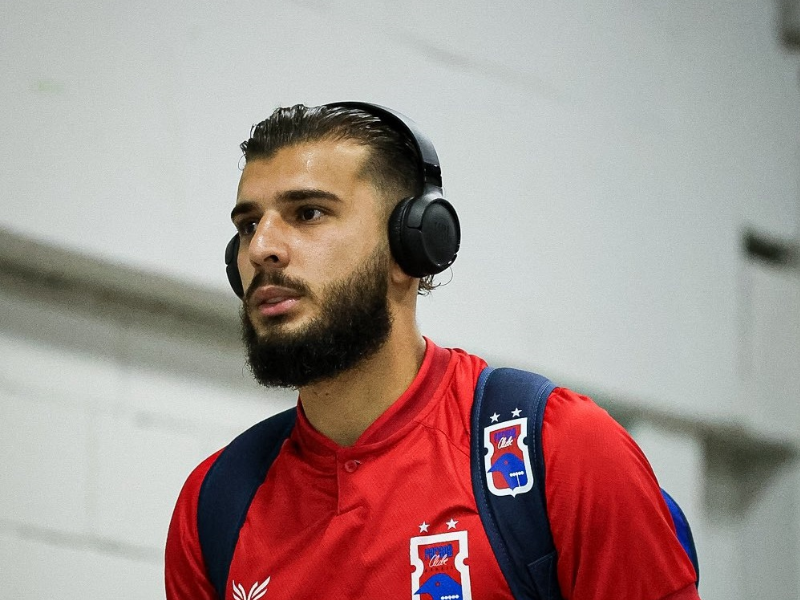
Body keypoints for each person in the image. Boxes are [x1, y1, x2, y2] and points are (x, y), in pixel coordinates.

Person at [165, 102, 700, 600]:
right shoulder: (214, 504)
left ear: (413, 246)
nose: (261, 248)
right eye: (248, 224)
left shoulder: (564, 452)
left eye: (308, 213)